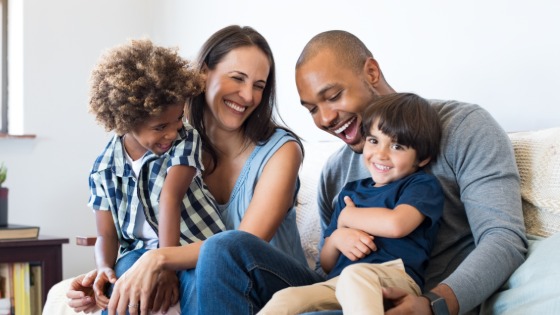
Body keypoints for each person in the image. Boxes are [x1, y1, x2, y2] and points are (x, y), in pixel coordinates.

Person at [195, 30, 528, 315]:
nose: (325, 118)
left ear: (370, 72)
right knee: (223, 249)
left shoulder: (463, 128)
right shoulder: (335, 172)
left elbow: (504, 239)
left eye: (333, 96)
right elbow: (327, 266)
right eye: (312, 109)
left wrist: (434, 304)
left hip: (411, 296)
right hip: (339, 294)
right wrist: (338, 236)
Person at [66, 25, 316, 315]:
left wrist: (159, 258)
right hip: (209, 281)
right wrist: (107, 279)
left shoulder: (281, 151)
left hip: (273, 284)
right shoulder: (168, 140)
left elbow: (241, 247)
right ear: (204, 74)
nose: (248, 95)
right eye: (237, 78)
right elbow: (131, 227)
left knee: (219, 251)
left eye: (259, 86)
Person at [259, 93, 444, 314]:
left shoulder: (420, 184)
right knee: (288, 297)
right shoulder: (351, 193)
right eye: (374, 141)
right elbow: (327, 264)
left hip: (393, 277)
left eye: (397, 147)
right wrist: (337, 238)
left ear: (422, 158)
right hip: (340, 281)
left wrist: (348, 218)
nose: (381, 154)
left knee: (354, 276)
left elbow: (397, 225)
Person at [86, 38, 225, 313]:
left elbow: (169, 198)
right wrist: (103, 267)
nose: (172, 133)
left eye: (178, 119)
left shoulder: (186, 140)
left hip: (192, 246)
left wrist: (167, 265)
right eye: (160, 126)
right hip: (138, 252)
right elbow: (106, 235)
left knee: (200, 282)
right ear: (126, 120)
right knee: (121, 285)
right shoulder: (103, 168)